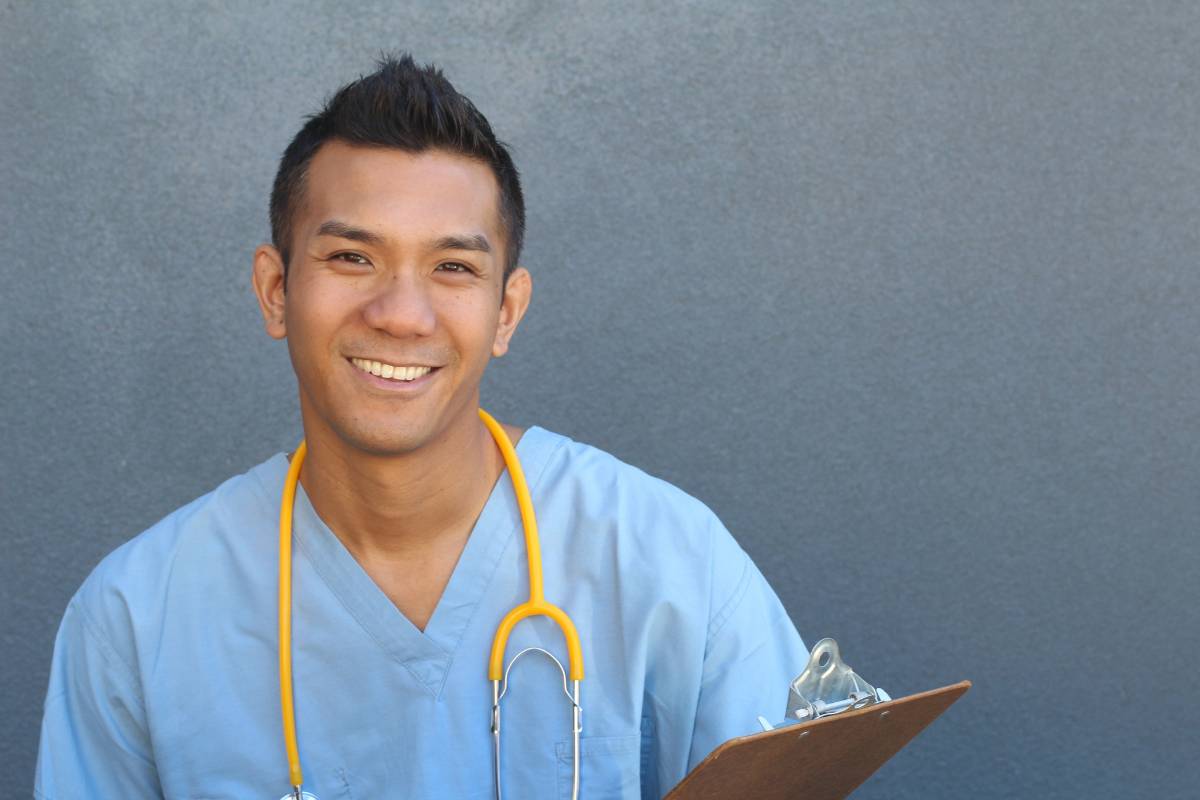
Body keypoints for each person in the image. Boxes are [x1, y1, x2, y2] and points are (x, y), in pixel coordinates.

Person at [34, 54, 808, 799]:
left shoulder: (670, 563)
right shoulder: (136, 622)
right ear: (275, 290)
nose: (401, 315)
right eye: (350, 257)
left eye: (453, 268)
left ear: (506, 312)